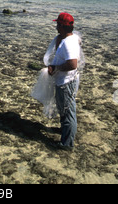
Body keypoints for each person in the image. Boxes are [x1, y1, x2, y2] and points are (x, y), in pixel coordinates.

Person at [48, 12, 81, 150]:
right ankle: (66, 131)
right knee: (64, 109)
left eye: (57, 24)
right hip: (68, 81)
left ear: (61, 26)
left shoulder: (68, 43)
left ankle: (67, 144)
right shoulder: (72, 38)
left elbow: (73, 64)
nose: (56, 26)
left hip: (66, 83)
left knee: (68, 112)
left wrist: (56, 68)